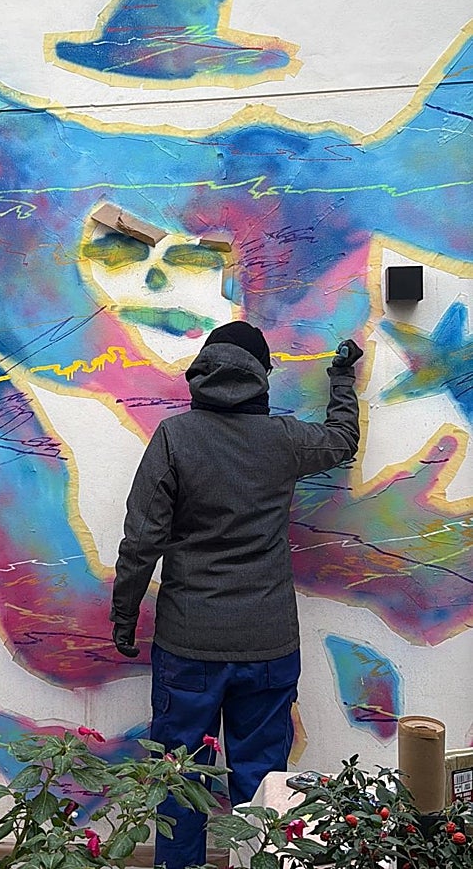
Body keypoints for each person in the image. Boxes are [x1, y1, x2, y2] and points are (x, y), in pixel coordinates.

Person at [110, 321, 362, 869]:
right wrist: (341, 380)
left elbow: (142, 540)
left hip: (188, 646)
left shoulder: (175, 438)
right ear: (262, 378)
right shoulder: (285, 439)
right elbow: (342, 442)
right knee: (266, 791)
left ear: (202, 373)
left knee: (180, 781)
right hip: (268, 646)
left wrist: (125, 616)